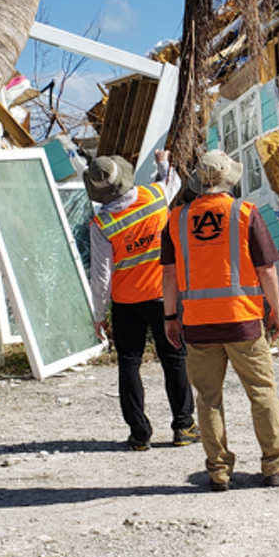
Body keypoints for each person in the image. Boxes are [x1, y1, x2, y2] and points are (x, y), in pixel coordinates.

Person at [162, 150, 279, 492]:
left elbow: (169, 275)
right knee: (262, 392)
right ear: (228, 180)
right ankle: (275, 465)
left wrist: (169, 316)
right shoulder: (244, 213)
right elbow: (266, 269)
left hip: (197, 324)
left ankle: (218, 472)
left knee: (208, 398)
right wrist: (276, 311)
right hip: (243, 321)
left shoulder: (176, 219)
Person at [87, 152, 196, 451]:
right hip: (164, 297)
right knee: (174, 359)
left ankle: (139, 434)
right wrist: (163, 161)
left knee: (129, 364)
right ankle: (183, 426)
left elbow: (101, 275)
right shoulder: (156, 194)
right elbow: (172, 179)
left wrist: (99, 314)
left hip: (126, 302)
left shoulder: (101, 223)